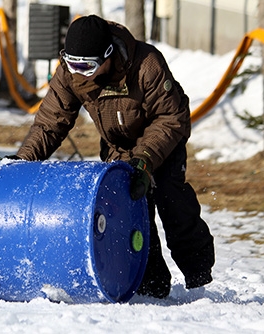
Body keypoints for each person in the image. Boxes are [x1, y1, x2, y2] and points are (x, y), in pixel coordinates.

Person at [13, 15, 215, 299]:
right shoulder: (70, 73)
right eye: (72, 64)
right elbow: (50, 122)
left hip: (162, 139)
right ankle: (150, 285)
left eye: (86, 66)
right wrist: (22, 163)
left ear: (108, 55)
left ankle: (199, 275)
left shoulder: (146, 64)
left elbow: (171, 118)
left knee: (172, 199)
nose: (79, 73)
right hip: (118, 146)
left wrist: (144, 160)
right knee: (130, 210)